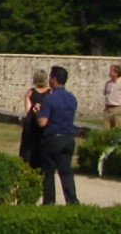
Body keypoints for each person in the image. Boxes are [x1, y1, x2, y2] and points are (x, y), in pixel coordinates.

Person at [37, 66, 79, 205]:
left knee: (48, 173)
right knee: (66, 172)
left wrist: (38, 111)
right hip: (68, 137)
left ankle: (49, 202)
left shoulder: (50, 99)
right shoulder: (72, 98)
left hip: (53, 137)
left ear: (54, 79)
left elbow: (42, 122)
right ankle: (72, 200)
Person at [19, 69, 51, 169]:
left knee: (28, 147)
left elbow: (28, 110)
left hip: (31, 123)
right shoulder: (50, 93)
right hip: (45, 123)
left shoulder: (30, 92)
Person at [103, 64, 121, 129]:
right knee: (107, 128)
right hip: (108, 108)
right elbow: (105, 93)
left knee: (118, 128)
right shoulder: (108, 83)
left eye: (111, 71)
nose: (110, 73)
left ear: (116, 73)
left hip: (118, 108)